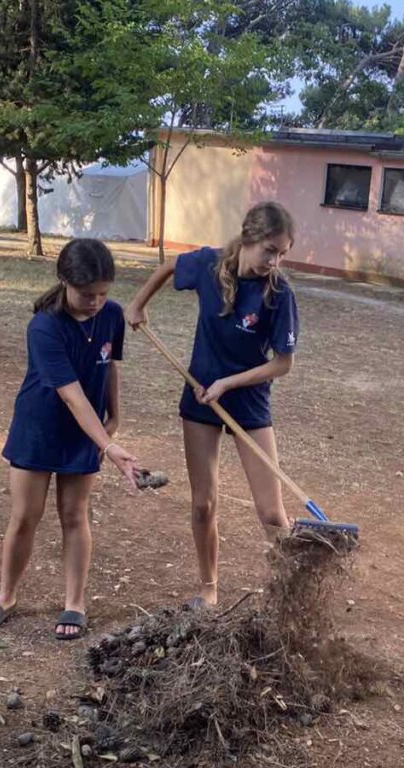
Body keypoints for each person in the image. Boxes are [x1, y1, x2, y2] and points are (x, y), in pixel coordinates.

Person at [127, 202, 299, 608]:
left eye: (283, 253)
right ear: (248, 239)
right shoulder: (209, 266)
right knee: (203, 504)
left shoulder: (279, 294)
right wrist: (138, 304)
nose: (274, 261)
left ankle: (291, 598)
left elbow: (282, 364)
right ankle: (208, 589)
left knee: (272, 513)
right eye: (270, 250)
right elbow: (170, 267)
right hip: (200, 396)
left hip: (248, 403)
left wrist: (228, 383)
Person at [0, 238, 138, 640]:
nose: (96, 302)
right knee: (25, 516)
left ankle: (75, 603)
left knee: (74, 514)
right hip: (39, 427)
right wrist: (108, 445)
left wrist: (114, 417)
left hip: (89, 430)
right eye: (88, 294)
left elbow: (109, 366)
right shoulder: (44, 326)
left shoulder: (113, 315)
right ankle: (6, 595)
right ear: (64, 281)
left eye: (103, 293)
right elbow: (71, 393)